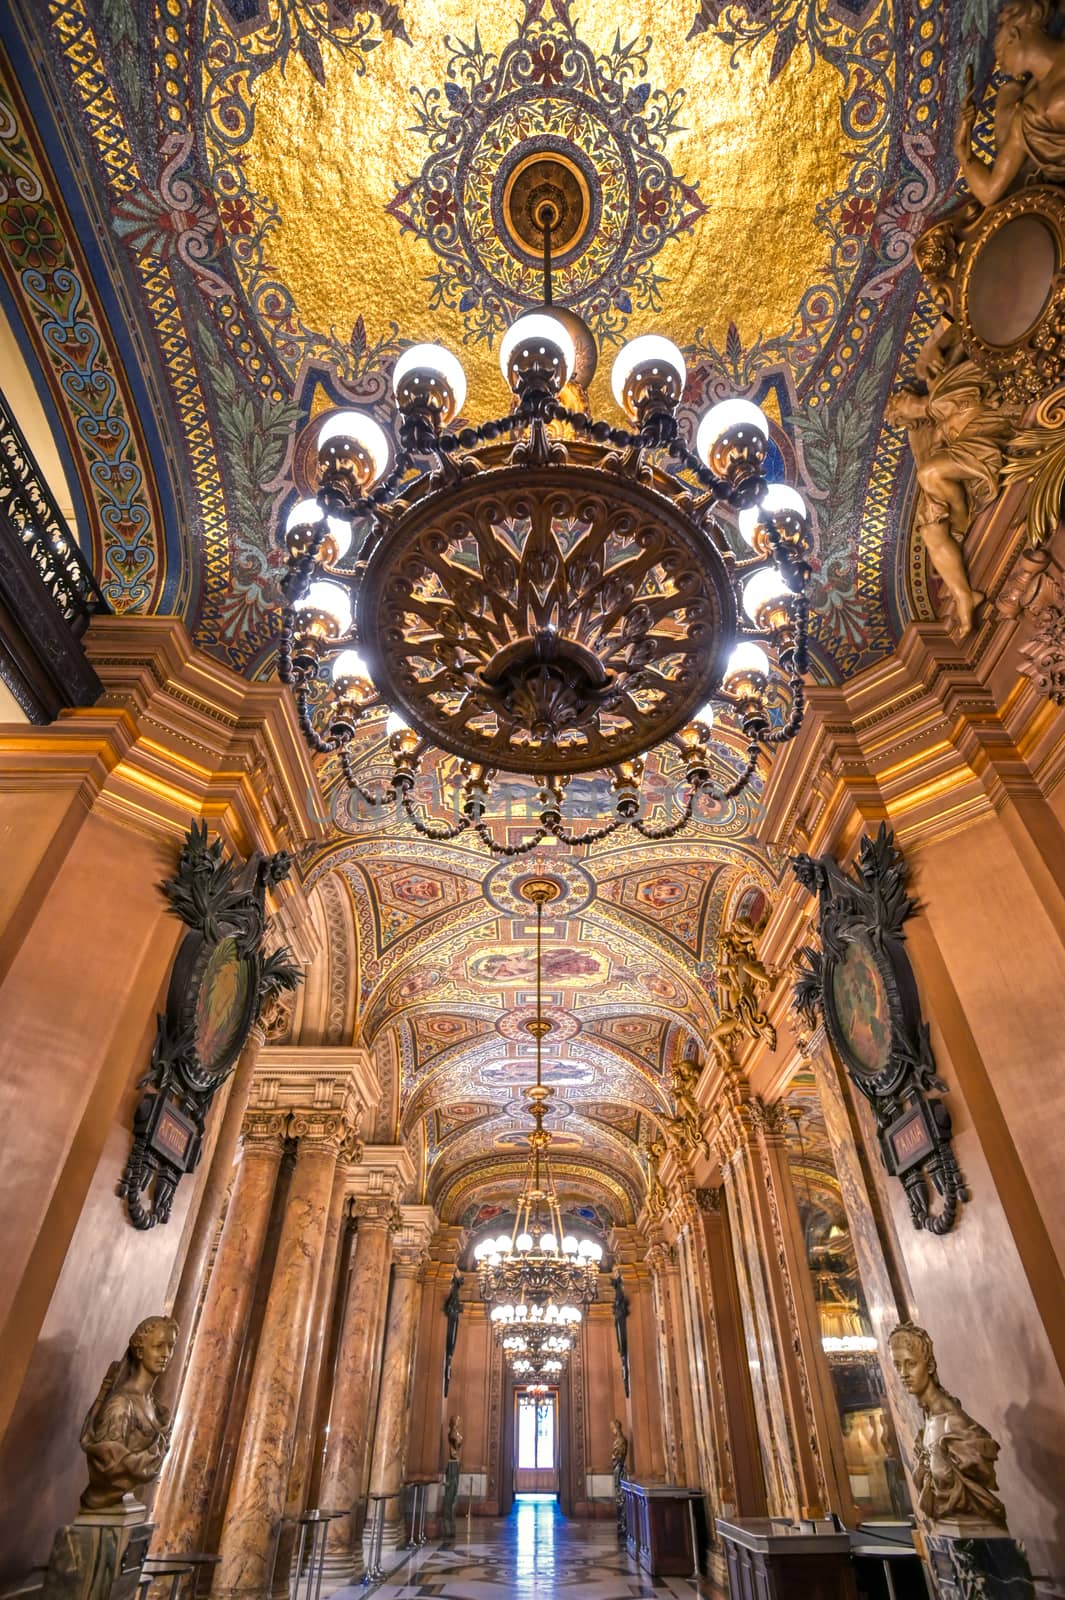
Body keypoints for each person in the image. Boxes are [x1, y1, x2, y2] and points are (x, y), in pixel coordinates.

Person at [888, 1322, 1008, 1528]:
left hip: (977, 1531)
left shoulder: (954, 1423)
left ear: (930, 1366)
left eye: (910, 1363)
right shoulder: (928, 1424)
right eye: (897, 1365)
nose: (903, 1374)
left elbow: (979, 1466)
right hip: (949, 1530)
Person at [955, 1, 1065, 207]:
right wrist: (962, 150)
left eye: (1002, 57)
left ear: (1014, 36)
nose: (1003, 70)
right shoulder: (1031, 114)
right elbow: (989, 192)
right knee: (1008, 92)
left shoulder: (1047, 107)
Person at [78, 1315, 178, 1511]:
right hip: (101, 1505)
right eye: (158, 1346)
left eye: (171, 1346)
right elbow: (110, 1467)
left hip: (126, 1511)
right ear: (140, 1350)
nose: (166, 1353)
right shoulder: (122, 1405)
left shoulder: (157, 1410)